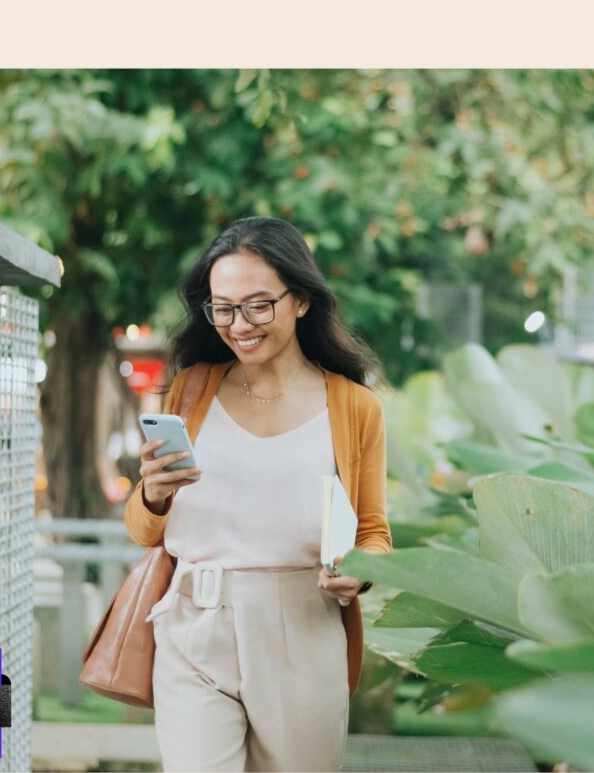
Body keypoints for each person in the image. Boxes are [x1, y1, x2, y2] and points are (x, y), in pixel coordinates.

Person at [124, 216, 393, 772]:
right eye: (222, 307)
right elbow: (144, 530)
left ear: (301, 301)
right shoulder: (191, 389)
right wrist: (150, 495)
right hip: (193, 623)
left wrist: (358, 569)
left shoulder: (353, 406)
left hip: (303, 622)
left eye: (257, 305)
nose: (238, 324)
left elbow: (374, 533)